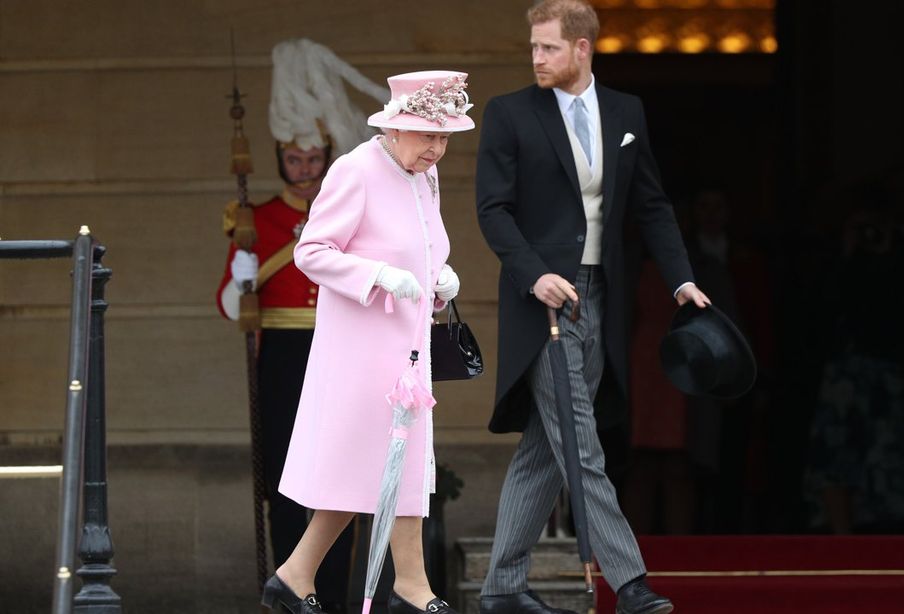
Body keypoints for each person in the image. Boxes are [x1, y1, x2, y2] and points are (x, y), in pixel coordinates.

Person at [475, 2, 709, 613]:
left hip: (603, 294)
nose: (536, 58)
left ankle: (500, 589)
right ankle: (630, 582)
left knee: (544, 451)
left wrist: (681, 280)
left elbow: (652, 206)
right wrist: (534, 276)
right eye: (532, 47)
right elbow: (493, 211)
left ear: (582, 49)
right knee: (580, 443)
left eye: (548, 47)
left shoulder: (627, 112)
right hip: (543, 302)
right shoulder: (508, 113)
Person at [260, 70, 474, 614]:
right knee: (374, 464)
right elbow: (313, 252)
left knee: (393, 463)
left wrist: (440, 281)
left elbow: (421, 251)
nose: (436, 147)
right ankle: (406, 585)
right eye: (427, 134)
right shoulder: (354, 169)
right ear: (395, 127)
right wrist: (375, 275)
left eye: (444, 136)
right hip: (359, 347)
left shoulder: (425, 175)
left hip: (406, 346)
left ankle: (300, 574)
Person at [217, 38, 390, 611]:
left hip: (338, 346)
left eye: (315, 160)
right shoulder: (257, 217)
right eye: (295, 160)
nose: (305, 171)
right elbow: (227, 306)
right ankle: (293, 589)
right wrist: (246, 272)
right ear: (279, 158)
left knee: (339, 471)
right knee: (286, 477)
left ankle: (335, 593)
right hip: (285, 354)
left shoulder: (344, 207)